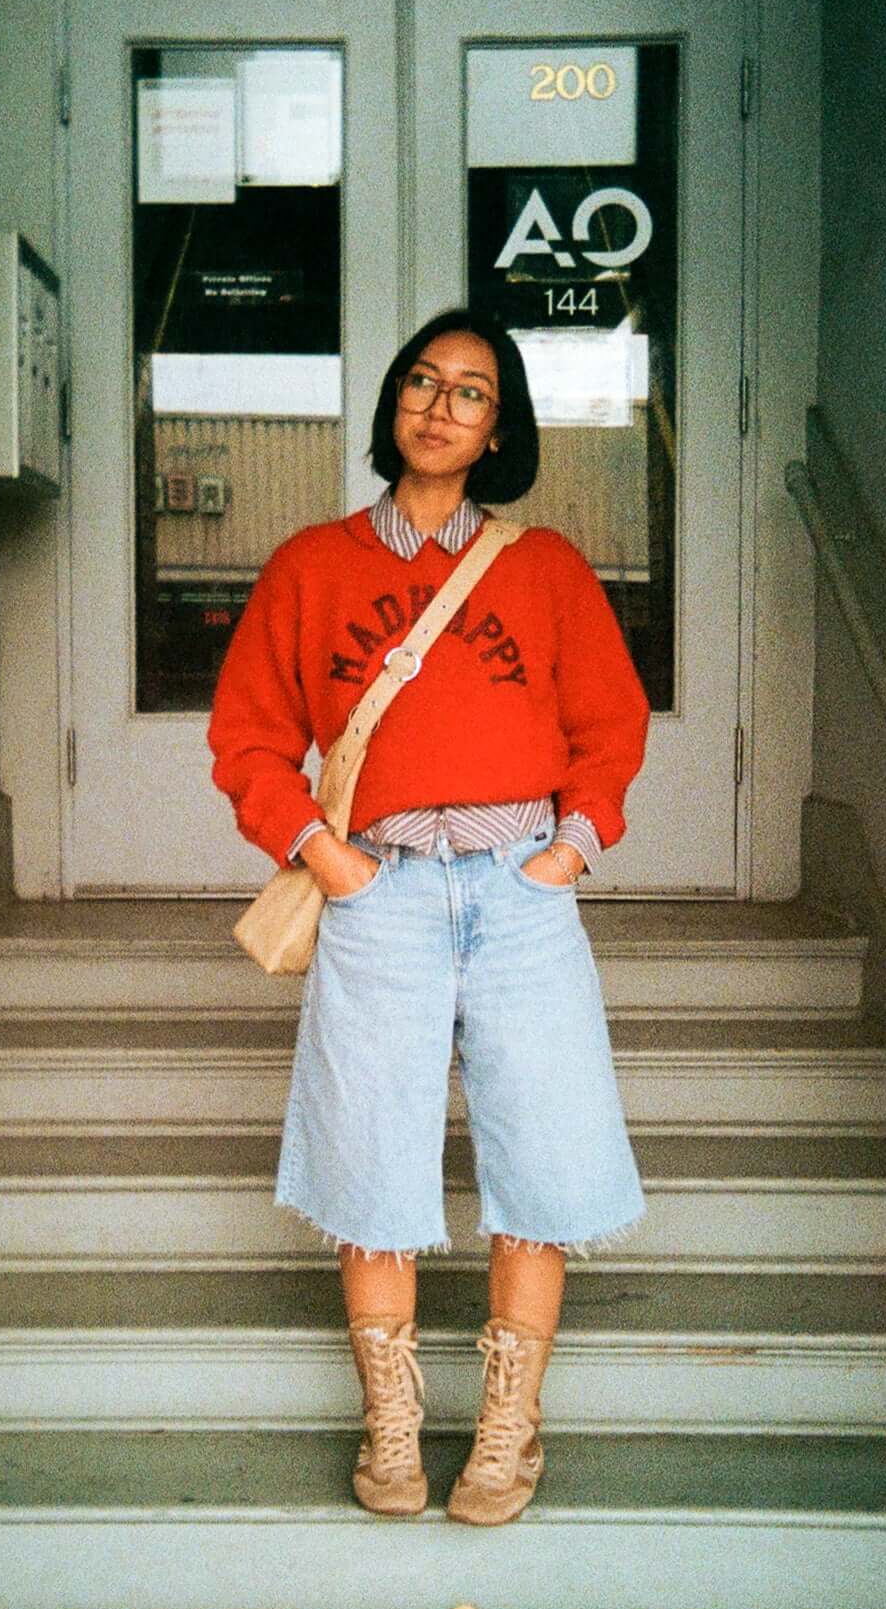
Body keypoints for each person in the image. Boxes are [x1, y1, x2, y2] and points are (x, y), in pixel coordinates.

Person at [208, 307, 650, 1525]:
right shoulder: (311, 564)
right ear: (392, 403)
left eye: (469, 390)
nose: (439, 405)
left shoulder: (544, 566)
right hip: (381, 890)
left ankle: (508, 1430)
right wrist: (319, 853)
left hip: (516, 889)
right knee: (370, 1154)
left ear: (497, 426)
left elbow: (609, 727)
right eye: (421, 380)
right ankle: (391, 1425)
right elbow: (247, 736)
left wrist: (569, 847)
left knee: (543, 1153)